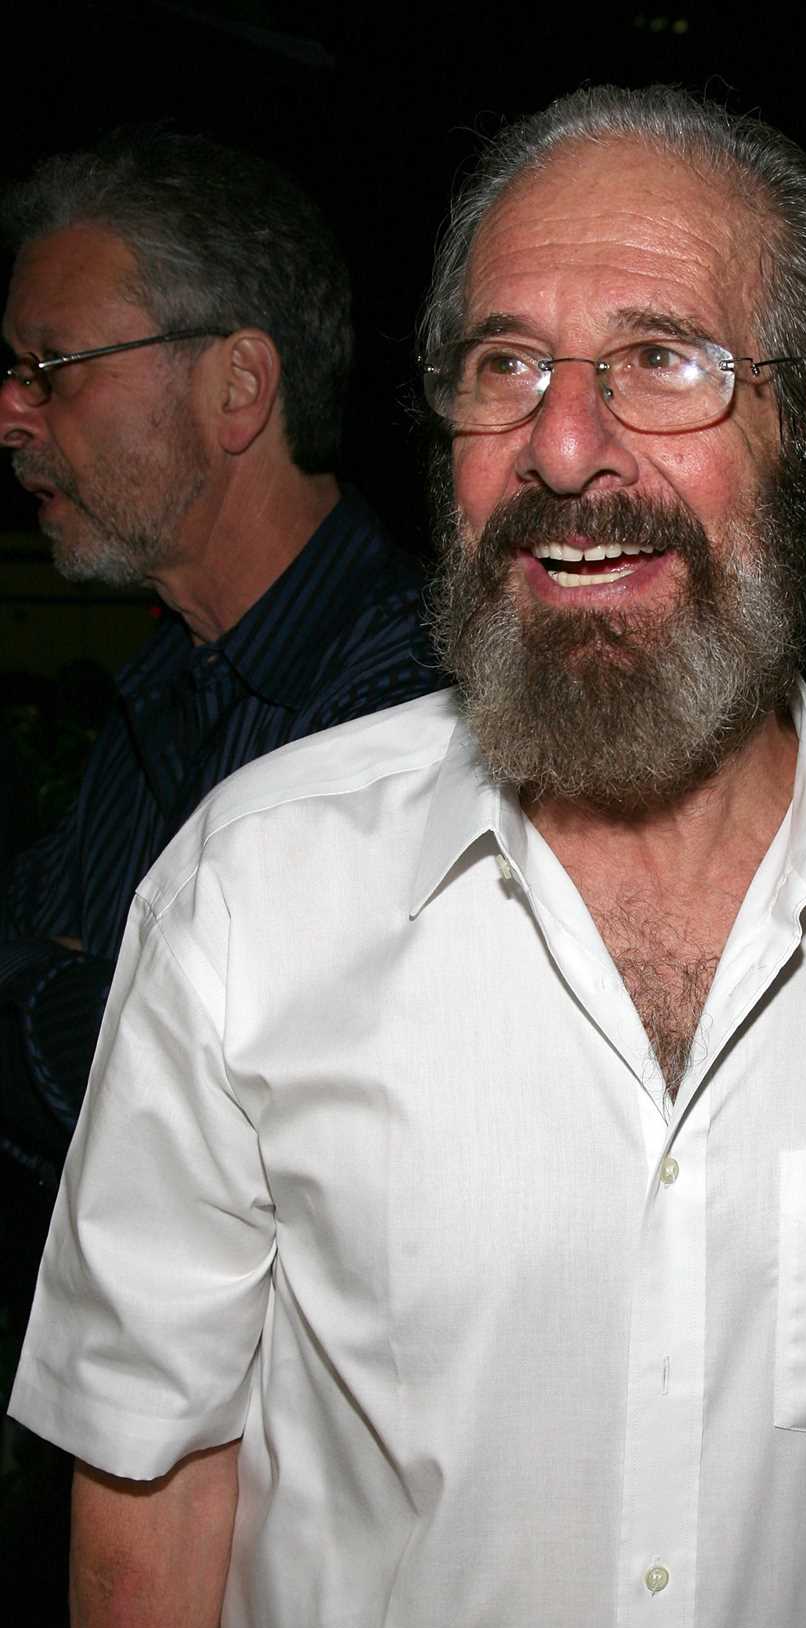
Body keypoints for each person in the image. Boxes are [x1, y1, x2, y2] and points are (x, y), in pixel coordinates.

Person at [10, 90, 806, 1628]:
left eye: (663, 359)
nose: (562, 447)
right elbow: (147, 1478)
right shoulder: (253, 886)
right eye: (503, 366)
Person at [0, 127, 436, 1199]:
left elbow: (204, 1111)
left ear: (238, 386)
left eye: (50, 368)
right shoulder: (167, 678)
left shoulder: (412, 711)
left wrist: (83, 998)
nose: (11, 413)